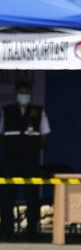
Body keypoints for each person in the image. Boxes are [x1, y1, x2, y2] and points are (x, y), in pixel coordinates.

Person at [0, 80, 49, 241]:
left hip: (30, 160)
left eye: (27, 93)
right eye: (21, 92)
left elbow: (44, 133)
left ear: (31, 94)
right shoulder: (7, 111)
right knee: (7, 196)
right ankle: (8, 231)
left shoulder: (38, 111)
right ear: (16, 94)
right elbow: (2, 133)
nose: (24, 96)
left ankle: (32, 231)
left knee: (32, 196)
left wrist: (33, 149)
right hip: (11, 159)